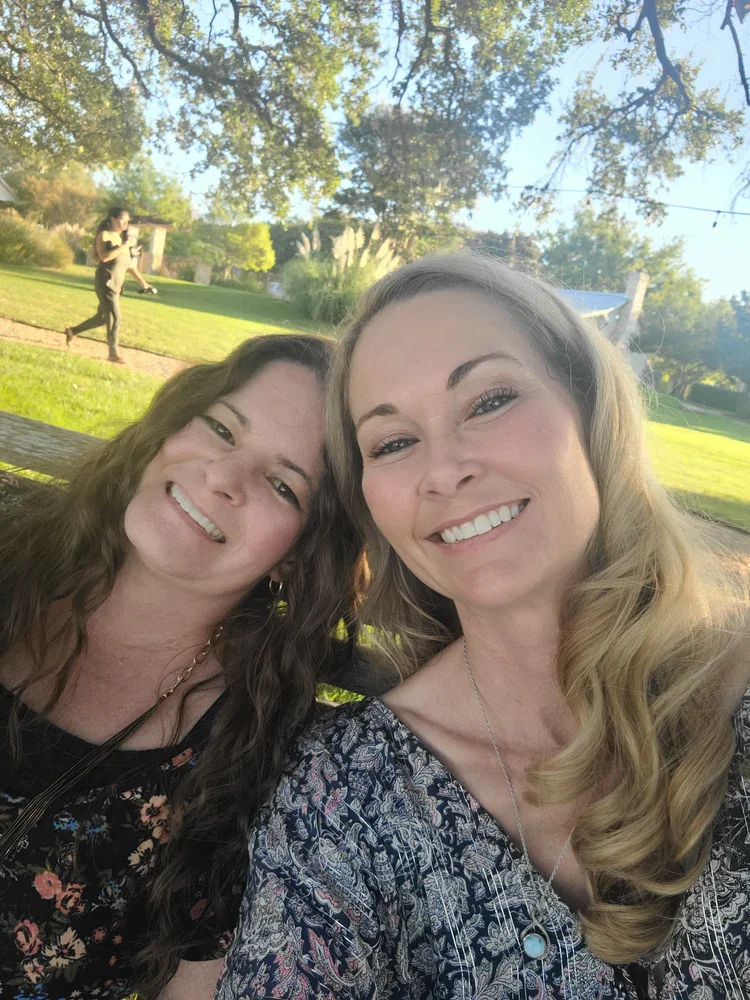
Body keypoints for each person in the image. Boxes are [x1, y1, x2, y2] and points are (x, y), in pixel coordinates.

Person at [216, 254, 749, 999]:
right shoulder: (345, 803)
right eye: (393, 442)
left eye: (489, 399)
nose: (444, 469)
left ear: (590, 407)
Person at [0, 333, 390, 999]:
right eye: (220, 428)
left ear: (299, 554)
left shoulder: (252, 757)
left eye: (280, 484)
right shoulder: (11, 553)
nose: (220, 477)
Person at [65, 207, 156, 364]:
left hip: (117, 284)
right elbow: (104, 257)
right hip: (105, 282)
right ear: (113, 219)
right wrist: (123, 246)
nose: (126, 224)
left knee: (102, 318)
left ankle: (72, 331)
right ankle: (113, 353)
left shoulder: (122, 239)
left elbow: (130, 266)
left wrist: (144, 283)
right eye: (123, 220)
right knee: (115, 317)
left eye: (128, 221)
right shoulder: (104, 235)